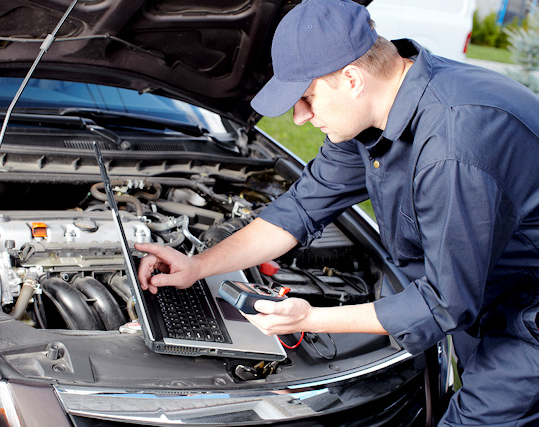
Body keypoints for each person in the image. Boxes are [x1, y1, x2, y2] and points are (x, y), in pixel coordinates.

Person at [135, 0, 539, 425]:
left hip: (526, 318)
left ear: (350, 78)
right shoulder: (376, 110)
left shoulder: (452, 146)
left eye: (307, 97)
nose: (300, 116)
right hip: (486, 294)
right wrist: (198, 266)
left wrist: (311, 318)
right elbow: (301, 207)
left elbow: (445, 303)